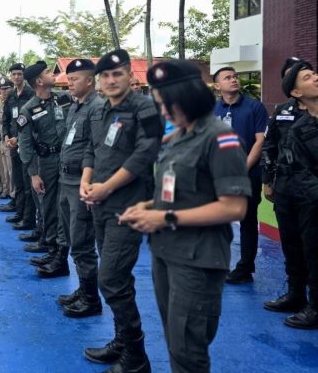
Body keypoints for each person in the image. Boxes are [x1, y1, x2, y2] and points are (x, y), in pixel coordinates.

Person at [119, 59, 249, 373]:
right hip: (166, 253)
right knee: (175, 343)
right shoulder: (179, 137)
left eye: (167, 104)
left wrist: (165, 218)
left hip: (197, 260)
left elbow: (234, 207)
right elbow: (177, 192)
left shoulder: (221, 138)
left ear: (188, 97)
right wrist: (149, 206)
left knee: (188, 350)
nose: (163, 112)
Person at [81, 49, 163, 373]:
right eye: (105, 75)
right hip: (100, 205)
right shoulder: (101, 110)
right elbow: (92, 149)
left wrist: (106, 187)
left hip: (128, 207)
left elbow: (145, 154)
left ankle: (137, 356)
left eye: (117, 74)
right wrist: (86, 182)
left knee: (111, 278)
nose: (111, 80)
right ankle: (121, 342)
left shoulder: (145, 108)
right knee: (117, 278)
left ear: (130, 75)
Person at [261, 58, 313, 317]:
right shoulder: (282, 110)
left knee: (312, 247)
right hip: (285, 188)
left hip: (311, 191)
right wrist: (267, 181)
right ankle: (295, 294)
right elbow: (269, 146)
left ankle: (314, 305)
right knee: (290, 244)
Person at [56, 58, 104, 317]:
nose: (70, 84)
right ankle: (84, 289)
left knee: (83, 242)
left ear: (90, 80)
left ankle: (91, 298)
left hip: (81, 184)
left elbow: (96, 148)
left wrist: (88, 181)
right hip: (66, 181)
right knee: (73, 239)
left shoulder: (97, 108)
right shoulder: (76, 106)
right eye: (69, 79)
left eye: (74, 79)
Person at [212, 67, 269, 284]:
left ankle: (245, 268)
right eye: (227, 78)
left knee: (247, 220)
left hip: (248, 174)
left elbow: (260, 141)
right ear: (218, 85)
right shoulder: (212, 110)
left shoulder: (255, 107)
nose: (234, 80)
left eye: (235, 76)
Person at [17, 60, 72, 278]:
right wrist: (33, 174)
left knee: (64, 208)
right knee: (48, 208)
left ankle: (60, 254)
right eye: (48, 72)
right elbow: (25, 145)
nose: (53, 74)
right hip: (46, 162)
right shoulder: (28, 109)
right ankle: (52, 250)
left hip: (67, 159)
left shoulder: (64, 99)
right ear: (39, 81)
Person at [277, 59, 318, 329]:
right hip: (306, 199)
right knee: (306, 251)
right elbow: (298, 167)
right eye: (307, 77)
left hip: (309, 198)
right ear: (296, 92)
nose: (316, 77)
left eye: (314, 73)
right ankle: (307, 302)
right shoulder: (298, 128)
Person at [2, 62, 37, 231]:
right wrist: (7, 136)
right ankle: (20, 212)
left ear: (24, 76)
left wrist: (18, 137)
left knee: (27, 182)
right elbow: (6, 119)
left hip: (26, 144)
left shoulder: (31, 94)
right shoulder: (11, 95)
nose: (16, 77)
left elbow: (32, 120)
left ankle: (28, 219)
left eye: (19, 74)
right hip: (12, 144)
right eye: (14, 74)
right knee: (18, 181)